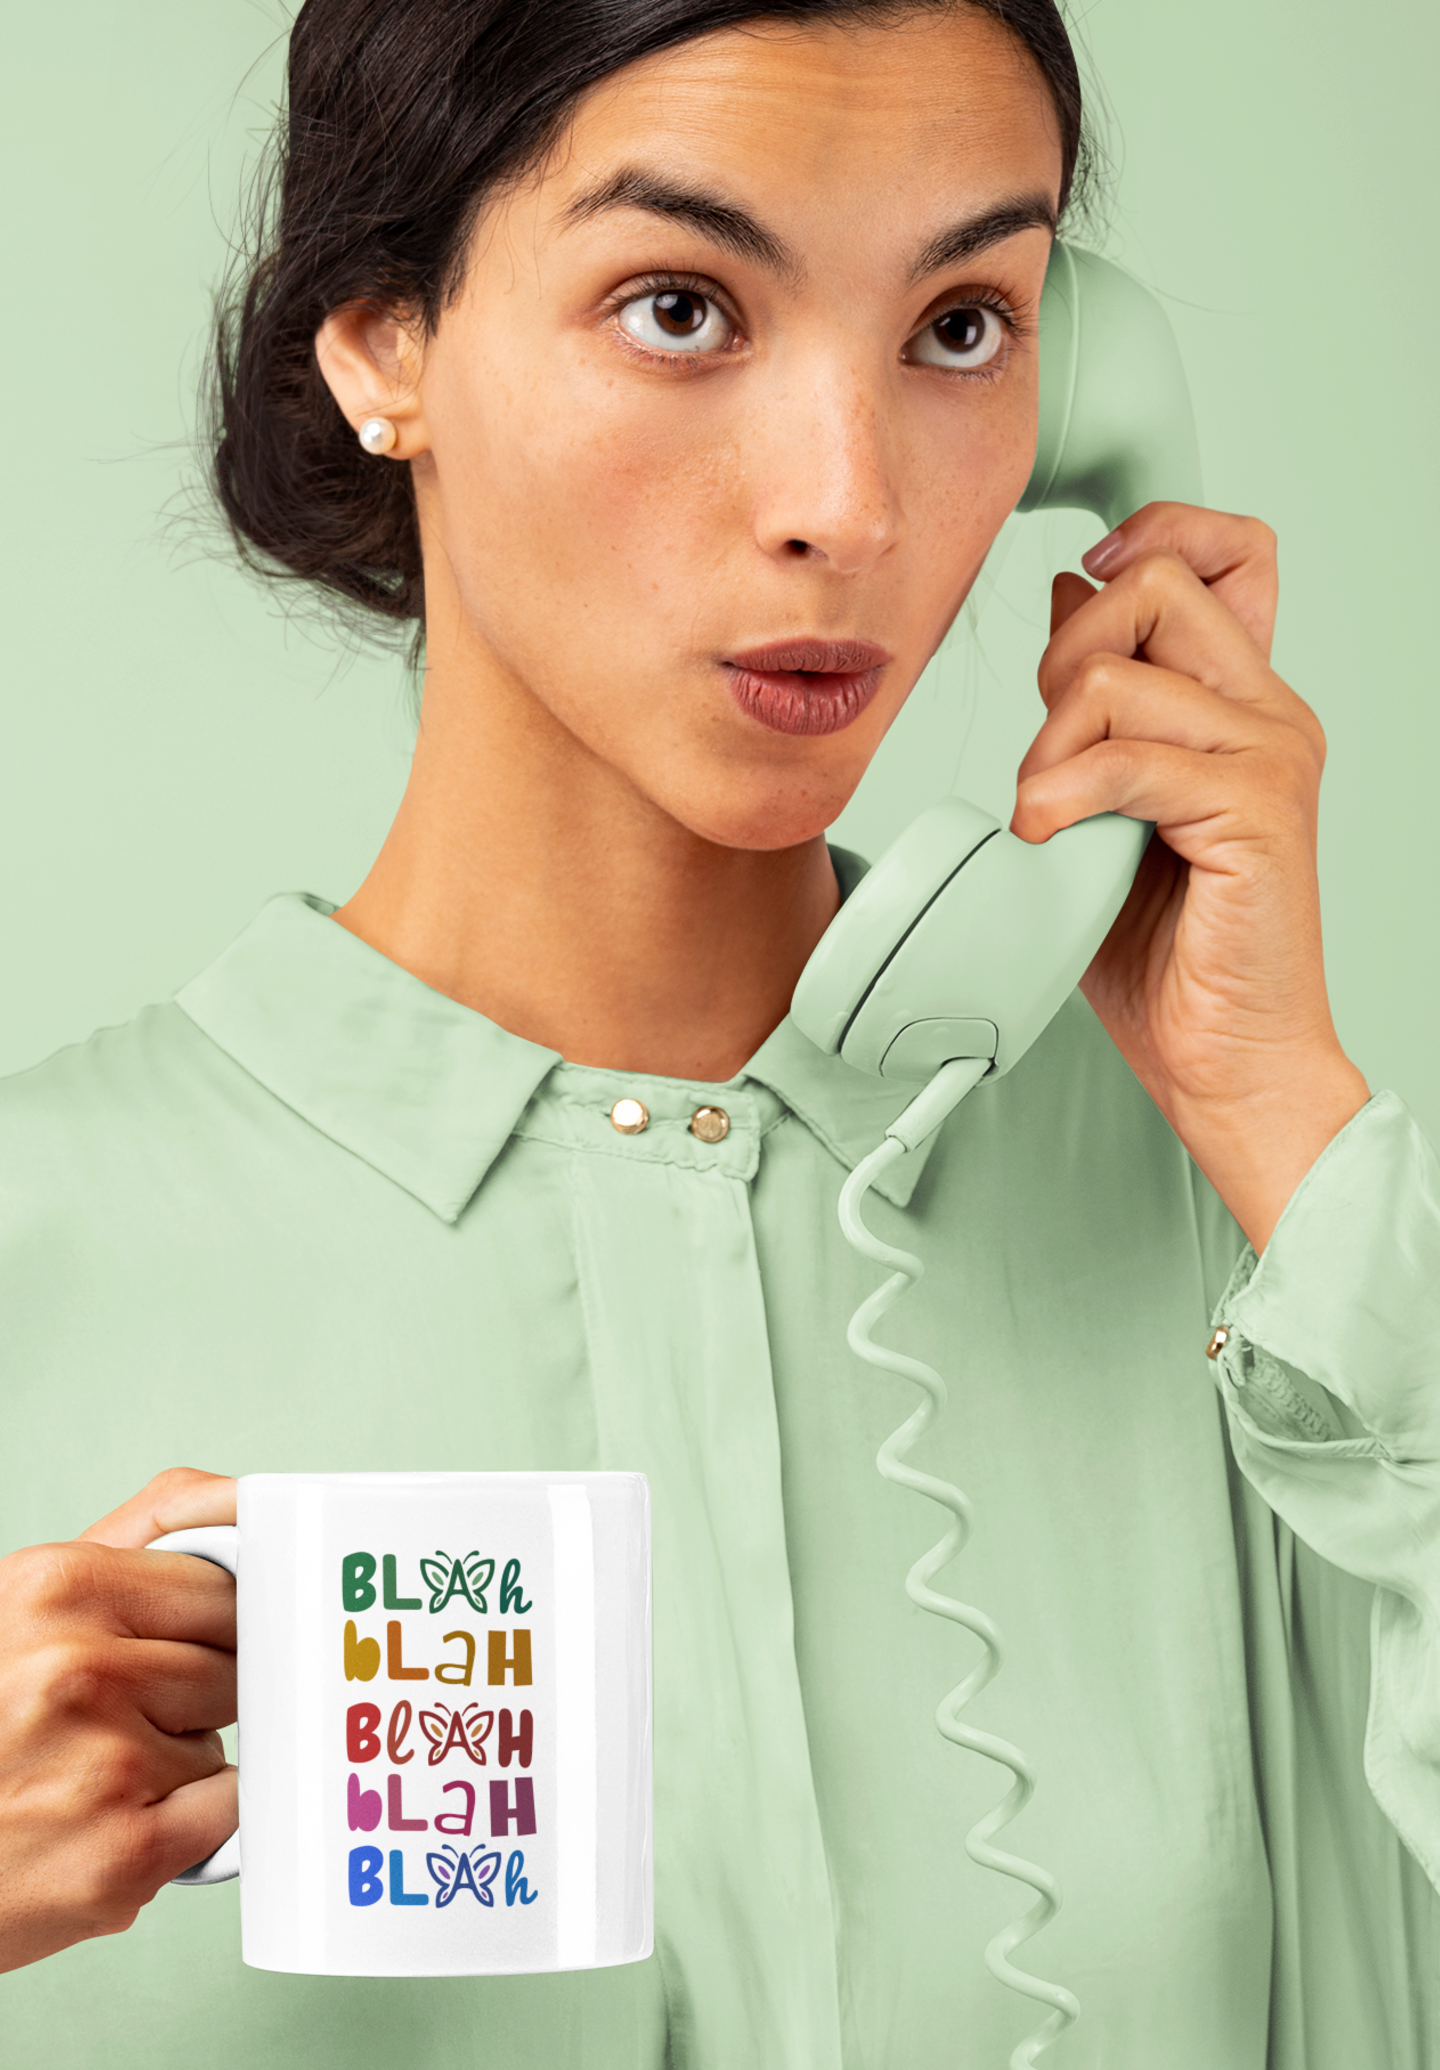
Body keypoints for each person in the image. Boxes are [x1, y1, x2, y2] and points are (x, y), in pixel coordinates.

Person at [1, 0, 1437, 2064]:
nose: (845, 505)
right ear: (383, 339)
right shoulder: (36, 1239)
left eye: (960, 327)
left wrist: (1283, 1123)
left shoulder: (1269, 1271)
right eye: (681, 304)